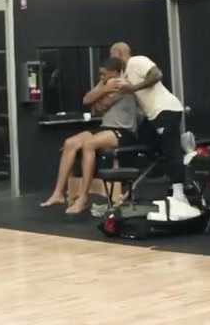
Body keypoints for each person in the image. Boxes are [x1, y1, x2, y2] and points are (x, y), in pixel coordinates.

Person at [108, 42, 200, 222]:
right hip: (152, 116)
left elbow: (157, 74)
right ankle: (180, 148)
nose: (112, 59)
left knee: (170, 151)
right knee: (144, 142)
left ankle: (179, 193)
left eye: (112, 55)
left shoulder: (137, 61)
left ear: (119, 53)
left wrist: (133, 88)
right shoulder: (125, 74)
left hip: (166, 110)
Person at [41, 57, 138, 214]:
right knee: (70, 143)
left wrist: (99, 94)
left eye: (104, 74)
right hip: (106, 128)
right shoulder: (105, 83)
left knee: (89, 144)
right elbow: (87, 100)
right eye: (100, 74)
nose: (101, 77)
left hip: (124, 131)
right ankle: (58, 193)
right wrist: (103, 89)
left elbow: (101, 104)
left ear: (115, 72)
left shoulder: (121, 84)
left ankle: (82, 198)